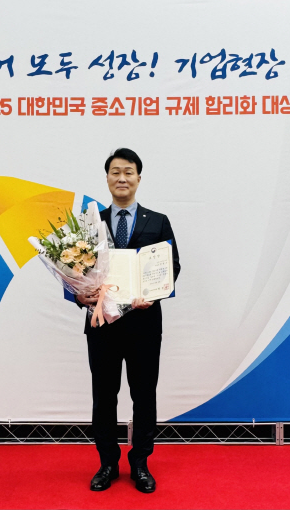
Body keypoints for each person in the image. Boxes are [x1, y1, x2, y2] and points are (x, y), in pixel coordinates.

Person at [76, 148, 181, 494]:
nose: (122, 178)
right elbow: (74, 268)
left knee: (144, 395)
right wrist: (80, 296)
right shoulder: (90, 223)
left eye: (129, 172)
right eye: (115, 172)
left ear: (138, 178)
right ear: (107, 178)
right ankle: (107, 462)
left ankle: (140, 463)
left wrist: (154, 294)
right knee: (104, 395)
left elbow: (172, 266)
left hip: (144, 324)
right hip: (102, 324)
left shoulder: (158, 221)